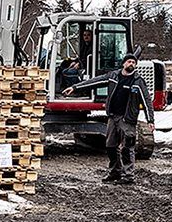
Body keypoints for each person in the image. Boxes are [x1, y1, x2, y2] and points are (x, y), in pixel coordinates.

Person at [66, 52, 155, 185]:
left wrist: (150, 120)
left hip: (127, 119)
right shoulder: (113, 76)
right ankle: (115, 171)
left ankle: (128, 176)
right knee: (110, 146)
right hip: (113, 117)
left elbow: (147, 101)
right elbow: (95, 81)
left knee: (127, 147)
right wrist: (75, 87)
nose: (131, 64)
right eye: (129, 62)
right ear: (124, 63)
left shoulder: (138, 81)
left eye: (133, 62)